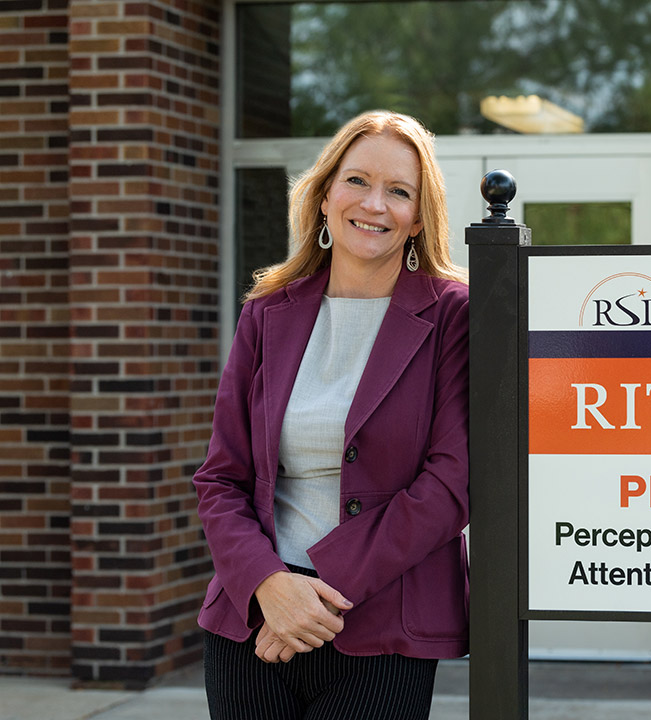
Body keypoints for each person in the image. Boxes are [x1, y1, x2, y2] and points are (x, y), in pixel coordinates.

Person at [193, 110, 469, 720]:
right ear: (323, 196)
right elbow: (220, 479)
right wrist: (270, 584)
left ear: (420, 217)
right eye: (357, 181)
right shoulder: (267, 312)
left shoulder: (454, 315)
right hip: (255, 618)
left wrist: (313, 592)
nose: (374, 204)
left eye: (399, 191)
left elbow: (451, 484)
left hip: (382, 626)